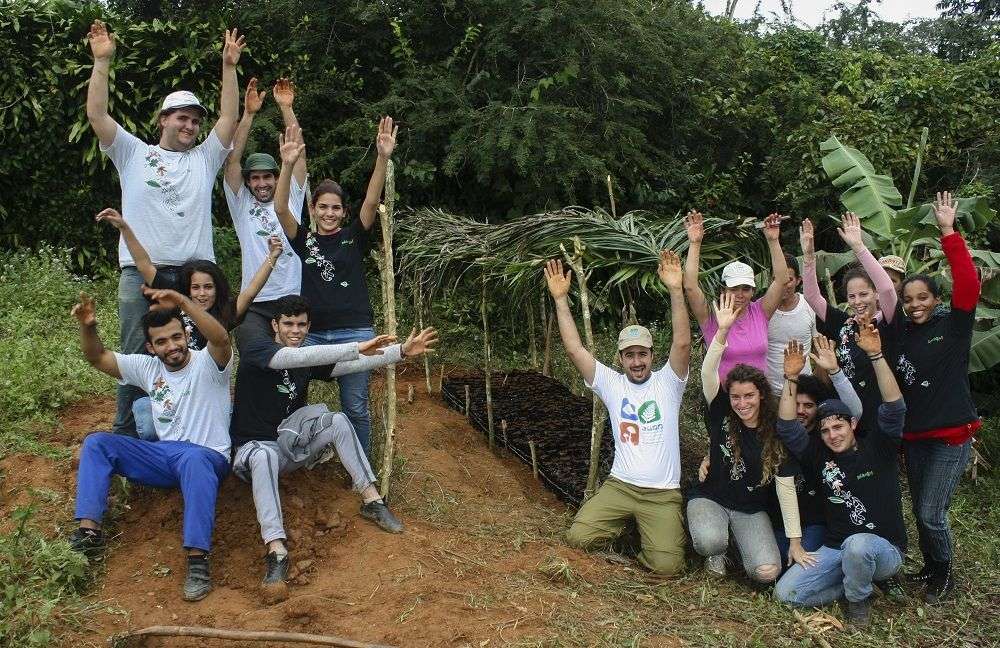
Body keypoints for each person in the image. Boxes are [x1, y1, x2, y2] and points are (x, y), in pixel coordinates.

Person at [86, 20, 244, 436]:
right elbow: (97, 115)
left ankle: (191, 431)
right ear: (163, 120)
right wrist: (102, 62)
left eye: (195, 120)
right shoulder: (132, 152)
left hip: (194, 278)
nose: (190, 126)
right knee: (137, 354)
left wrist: (229, 68)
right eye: (182, 118)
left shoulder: (204, 159)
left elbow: (229, 116)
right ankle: (128, 434)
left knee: (195, 352)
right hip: (141, 272)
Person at [229, 294, 437, 600]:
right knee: (263, 455)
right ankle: (276, 550)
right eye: (288, 324)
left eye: (301, 324)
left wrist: (401, 352)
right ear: (274, 325)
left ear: (308, 325)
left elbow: (351, 364)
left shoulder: (306, 359)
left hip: (288, 449)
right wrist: (355, 345)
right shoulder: (258, 351)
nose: (295, 331)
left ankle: (372, 500)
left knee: (338, 420)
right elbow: (294, 358)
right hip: (252, 453)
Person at [68, 289, 233, 602]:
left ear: (186, 335)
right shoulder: (148, 368)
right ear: (151, 347)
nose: (171, 346)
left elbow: (222, 339)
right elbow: (97, 357)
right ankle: (88, 532)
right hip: (163, 456)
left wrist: (184, 302)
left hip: (207, 457)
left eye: (176, 337)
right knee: (98, 443)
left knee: (194, 460)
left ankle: (198, 560)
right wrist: (88, 326)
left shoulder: (209, 363)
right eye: (162, 342)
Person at [547, 252, 691, 575]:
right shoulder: (613, 385)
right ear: (621, 358)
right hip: (620, 486)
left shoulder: (669, 383)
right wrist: (560, 300)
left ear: (653, 355)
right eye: (629, 355)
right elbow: (574, 349)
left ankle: (647, 537)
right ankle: (627, 531)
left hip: (661, 494)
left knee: (667, 566)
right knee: (578, 536)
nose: (636, 362)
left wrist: (676, 290)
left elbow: (682, 344)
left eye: (642, 354)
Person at [96, 207, 282, 440]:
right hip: (170, 388)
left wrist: (272, 257)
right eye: (196, 287)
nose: (202, 294)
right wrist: (124, 228)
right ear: (187, 290)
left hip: (203, 394)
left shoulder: (224, 314)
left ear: (217, 289)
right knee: (147, 422)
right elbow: (144, 264)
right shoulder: (176, 303)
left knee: (228, 424)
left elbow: (252, 289)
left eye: (208, 287)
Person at [272, 121, 397, 455]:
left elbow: (372, 200)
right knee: (293, 394)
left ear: (344, 212)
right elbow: (281, 208)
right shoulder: (303, 239)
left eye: (336, 207)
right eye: (322, 207)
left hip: (355, 334)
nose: (329, 213)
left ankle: (361, 466)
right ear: (313, 209)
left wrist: (382, 158)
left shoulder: (353, 236)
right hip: (310, 336)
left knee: (355, 407)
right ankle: (295, 453)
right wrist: (286, 165)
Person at [774, 321, 907, 629]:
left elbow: (895, 407)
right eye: (825, 430)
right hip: (835, 548)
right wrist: (790, 377)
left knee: (859, 545)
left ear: (853, 425)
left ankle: (857, 603)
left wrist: (876, 356)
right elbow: (786, 425)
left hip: (883, 548)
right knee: (785, 593)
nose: (832, 434)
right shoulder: (817, 455)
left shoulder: (880, 447)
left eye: (838, 427)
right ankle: (853, 587)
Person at [896, 191, 980, 604]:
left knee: (932, 512)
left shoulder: (954, 327)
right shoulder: (900, 336)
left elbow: (968, 281)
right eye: (908, 300)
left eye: (922, 298)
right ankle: (930, 566)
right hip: (915, 437)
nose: (914, 305)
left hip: (951, 436)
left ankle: (945, 576)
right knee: (920, 510)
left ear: (936, 300)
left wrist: (948, 230)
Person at [686, 293, 784, 585]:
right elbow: (707, 372)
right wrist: (723, 331)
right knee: (709, 543)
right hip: (711, 497)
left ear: (761, 395)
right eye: (736, 397)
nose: (742, 403)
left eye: (749, 396)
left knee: (766, 573)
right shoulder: (721, 412)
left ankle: (741, 547)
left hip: (750, 508)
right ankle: (718, 549)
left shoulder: (774, 427)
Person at [801, 212, 904, 435]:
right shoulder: (844, 325)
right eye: (852, 296)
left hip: (881, 420)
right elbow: (811, 297)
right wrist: (809, 257)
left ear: (876, 295)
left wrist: (859, 247)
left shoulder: (889, 321)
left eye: (864, 294)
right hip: (847, 421)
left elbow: (887, 288)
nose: (858, 301)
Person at [768, 336, 862, 569]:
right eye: (796, 405)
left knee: (798, 567)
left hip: (815, 522)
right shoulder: (775, 434)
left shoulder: (827, 440)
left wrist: (835, 371)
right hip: (778, 519)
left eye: (808, 406)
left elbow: (855, 412)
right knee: (770, 566)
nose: (800, 411)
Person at [224, 78, 307, 321]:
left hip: (294, 294)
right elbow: (233, 162)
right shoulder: (241, 204)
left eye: (267, 177)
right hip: (256, 299)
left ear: (277, 177)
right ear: (248, 182)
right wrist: (248, 115)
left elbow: (299, 157)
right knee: (255, 356)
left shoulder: (290, 196)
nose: (261, 184)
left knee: (295, 359)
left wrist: (286, 108)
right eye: (255, 178)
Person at [683, 210, 789, 382]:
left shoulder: (760, 311)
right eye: (734, 288)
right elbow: (690, 286)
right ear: (723, 290)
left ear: (753, 291)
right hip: (724, 399)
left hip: (758, 397)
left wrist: (773, 240)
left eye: (746, 288)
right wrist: (695, 243)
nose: (740, 294)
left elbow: (782, 281)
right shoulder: (711, 315)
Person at [765, 253, 815, 393]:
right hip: (769, 392)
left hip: (803, 392)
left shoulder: (810, 306)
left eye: (788, 279)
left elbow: (820, 347)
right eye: (776, 279)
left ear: (799, 280)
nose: (782, 285)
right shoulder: (761, 309)